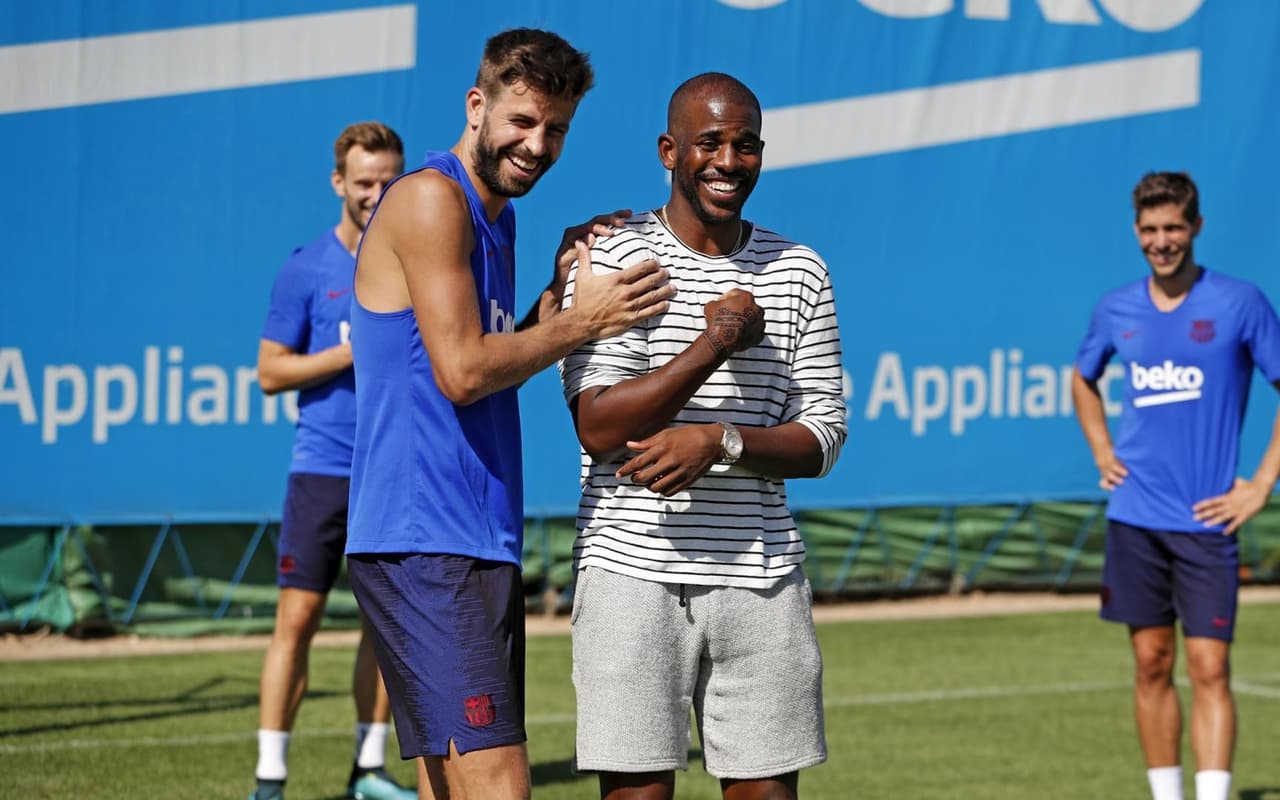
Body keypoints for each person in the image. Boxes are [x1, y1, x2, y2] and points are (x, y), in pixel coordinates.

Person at [342, 28, 675, 800]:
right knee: (500, 787)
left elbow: (493, 357)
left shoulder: (498, 216)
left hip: (470, 535)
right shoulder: (430, 199)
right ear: (476, 104)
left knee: (452, 788)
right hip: (425, 538)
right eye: (522, 121)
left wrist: (558, 295)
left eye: (555, 129)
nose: (537, 143)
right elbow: (462, 374)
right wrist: (584, 323)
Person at [558, 72, 848, 800]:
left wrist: (719, 440)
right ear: (669, 150)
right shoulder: (616, 257)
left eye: (745, 145)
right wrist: (712, 343)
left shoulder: (800, 270)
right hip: (630, 573)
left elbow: (823, 437)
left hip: (760, 578)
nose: (727, 160)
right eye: (709, 143)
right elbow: (597, 425)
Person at [1071, 171, 1280, 800]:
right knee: (1151, 663)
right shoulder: (1116, 308)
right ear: (1137, 232)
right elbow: (1082, 379)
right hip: (1135, 519)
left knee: (1210, 667)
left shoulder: (1240, 302)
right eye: (1151, 230)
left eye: (1174, 228)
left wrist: (1262, 483)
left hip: (1208, 521)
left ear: (1196, 227)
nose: (1163, 241)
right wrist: (1102, 450)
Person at [252, 121, 418, 800]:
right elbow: (269, 372)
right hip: (322, 471)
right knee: (296, 624)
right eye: (364, 182)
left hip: (390, 470)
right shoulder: (306, 267)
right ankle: (269, 780)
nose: (377, 193)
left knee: (385, 626)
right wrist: (349, 354)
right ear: (339, 184)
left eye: (388, 180)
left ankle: (367, 772)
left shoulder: (418, 258)